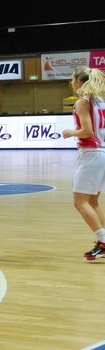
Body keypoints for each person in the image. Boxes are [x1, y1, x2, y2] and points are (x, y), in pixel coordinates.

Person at [61, 67, 105, 261]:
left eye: (72, 79)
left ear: (79, 81)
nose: (71, 83)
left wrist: (70, 133)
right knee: (93, 202)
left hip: (91, 154)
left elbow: (87, 131)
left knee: (80, 203)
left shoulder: (82, 102)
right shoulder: (100, 101)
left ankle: (103, 243)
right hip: (102, 152)